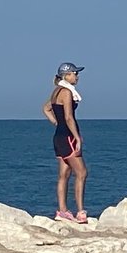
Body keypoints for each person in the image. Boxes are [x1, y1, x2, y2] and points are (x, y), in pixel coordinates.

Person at [42, 63, 87, 223]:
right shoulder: (66, 92)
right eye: (75, 73)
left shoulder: (56, 92)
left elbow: (46, 108)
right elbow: (68, 117)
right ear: (66, 76)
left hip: (58, 136)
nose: (77, 76)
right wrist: (76, 137)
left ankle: (62, 211)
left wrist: (56, 123)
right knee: (81, 173)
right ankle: (81, 212)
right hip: (67, 136)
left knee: (64, 174)